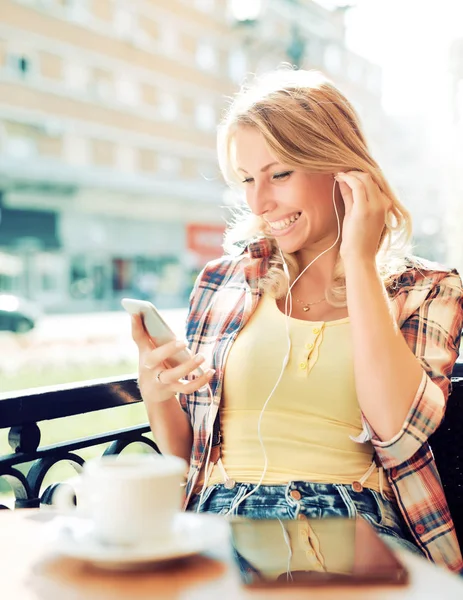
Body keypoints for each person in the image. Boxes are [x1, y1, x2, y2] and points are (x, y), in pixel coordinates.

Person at [131, 68, 463, 574]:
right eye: (247, 180)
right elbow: (187, 463)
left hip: (354, 516)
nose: (259, 202)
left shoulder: (427, 289)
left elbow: (398, 434)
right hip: (222, 514)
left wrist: (357, 258)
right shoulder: (222, 282)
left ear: (341, 168)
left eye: (279, 174)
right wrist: (157, 395)